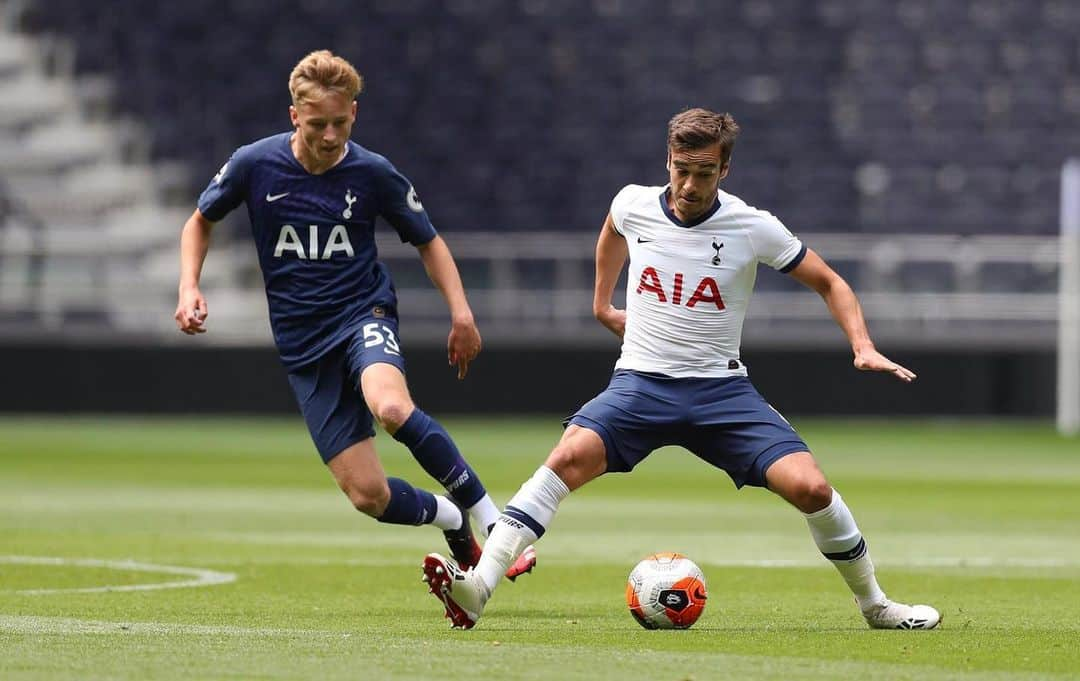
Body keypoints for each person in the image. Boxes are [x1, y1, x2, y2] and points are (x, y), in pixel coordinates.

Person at [421, 107, 940, 630]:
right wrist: (602, 304)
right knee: (564, 459)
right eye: (680, 169)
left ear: (726, 170)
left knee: (813, 490)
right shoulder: (634, 204)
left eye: (704, 173)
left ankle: (876, 606)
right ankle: (478, 590)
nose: (689, 185)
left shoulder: (752, 226)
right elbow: (611, 230)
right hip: (640, 385)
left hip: (721, 393)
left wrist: (862, 344)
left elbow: (831, 282)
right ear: (667, 160)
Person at [174, 50, 533, 579]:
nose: (329, 135)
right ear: (295, 117)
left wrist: (461, 312)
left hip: (363, 314)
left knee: (391, 409)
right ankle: (453, 517)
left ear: (354, 115)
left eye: (340, 123)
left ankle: (495, 523)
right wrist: (189, 287)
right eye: (318, 124)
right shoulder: (255, 163)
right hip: (302, 345)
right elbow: (199, 221)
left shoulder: (372, 173)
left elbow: (428, 241)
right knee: (368, 495)